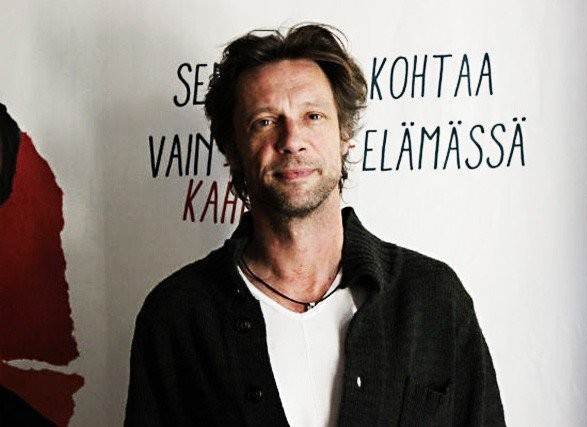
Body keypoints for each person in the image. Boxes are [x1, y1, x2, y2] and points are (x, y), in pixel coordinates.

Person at [125, 24, 505, 426]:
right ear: (232, 150)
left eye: (313, 116)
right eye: (265, 121)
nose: (292, 140)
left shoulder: (433, 298)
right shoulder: (176, 316)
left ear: (344, 135)